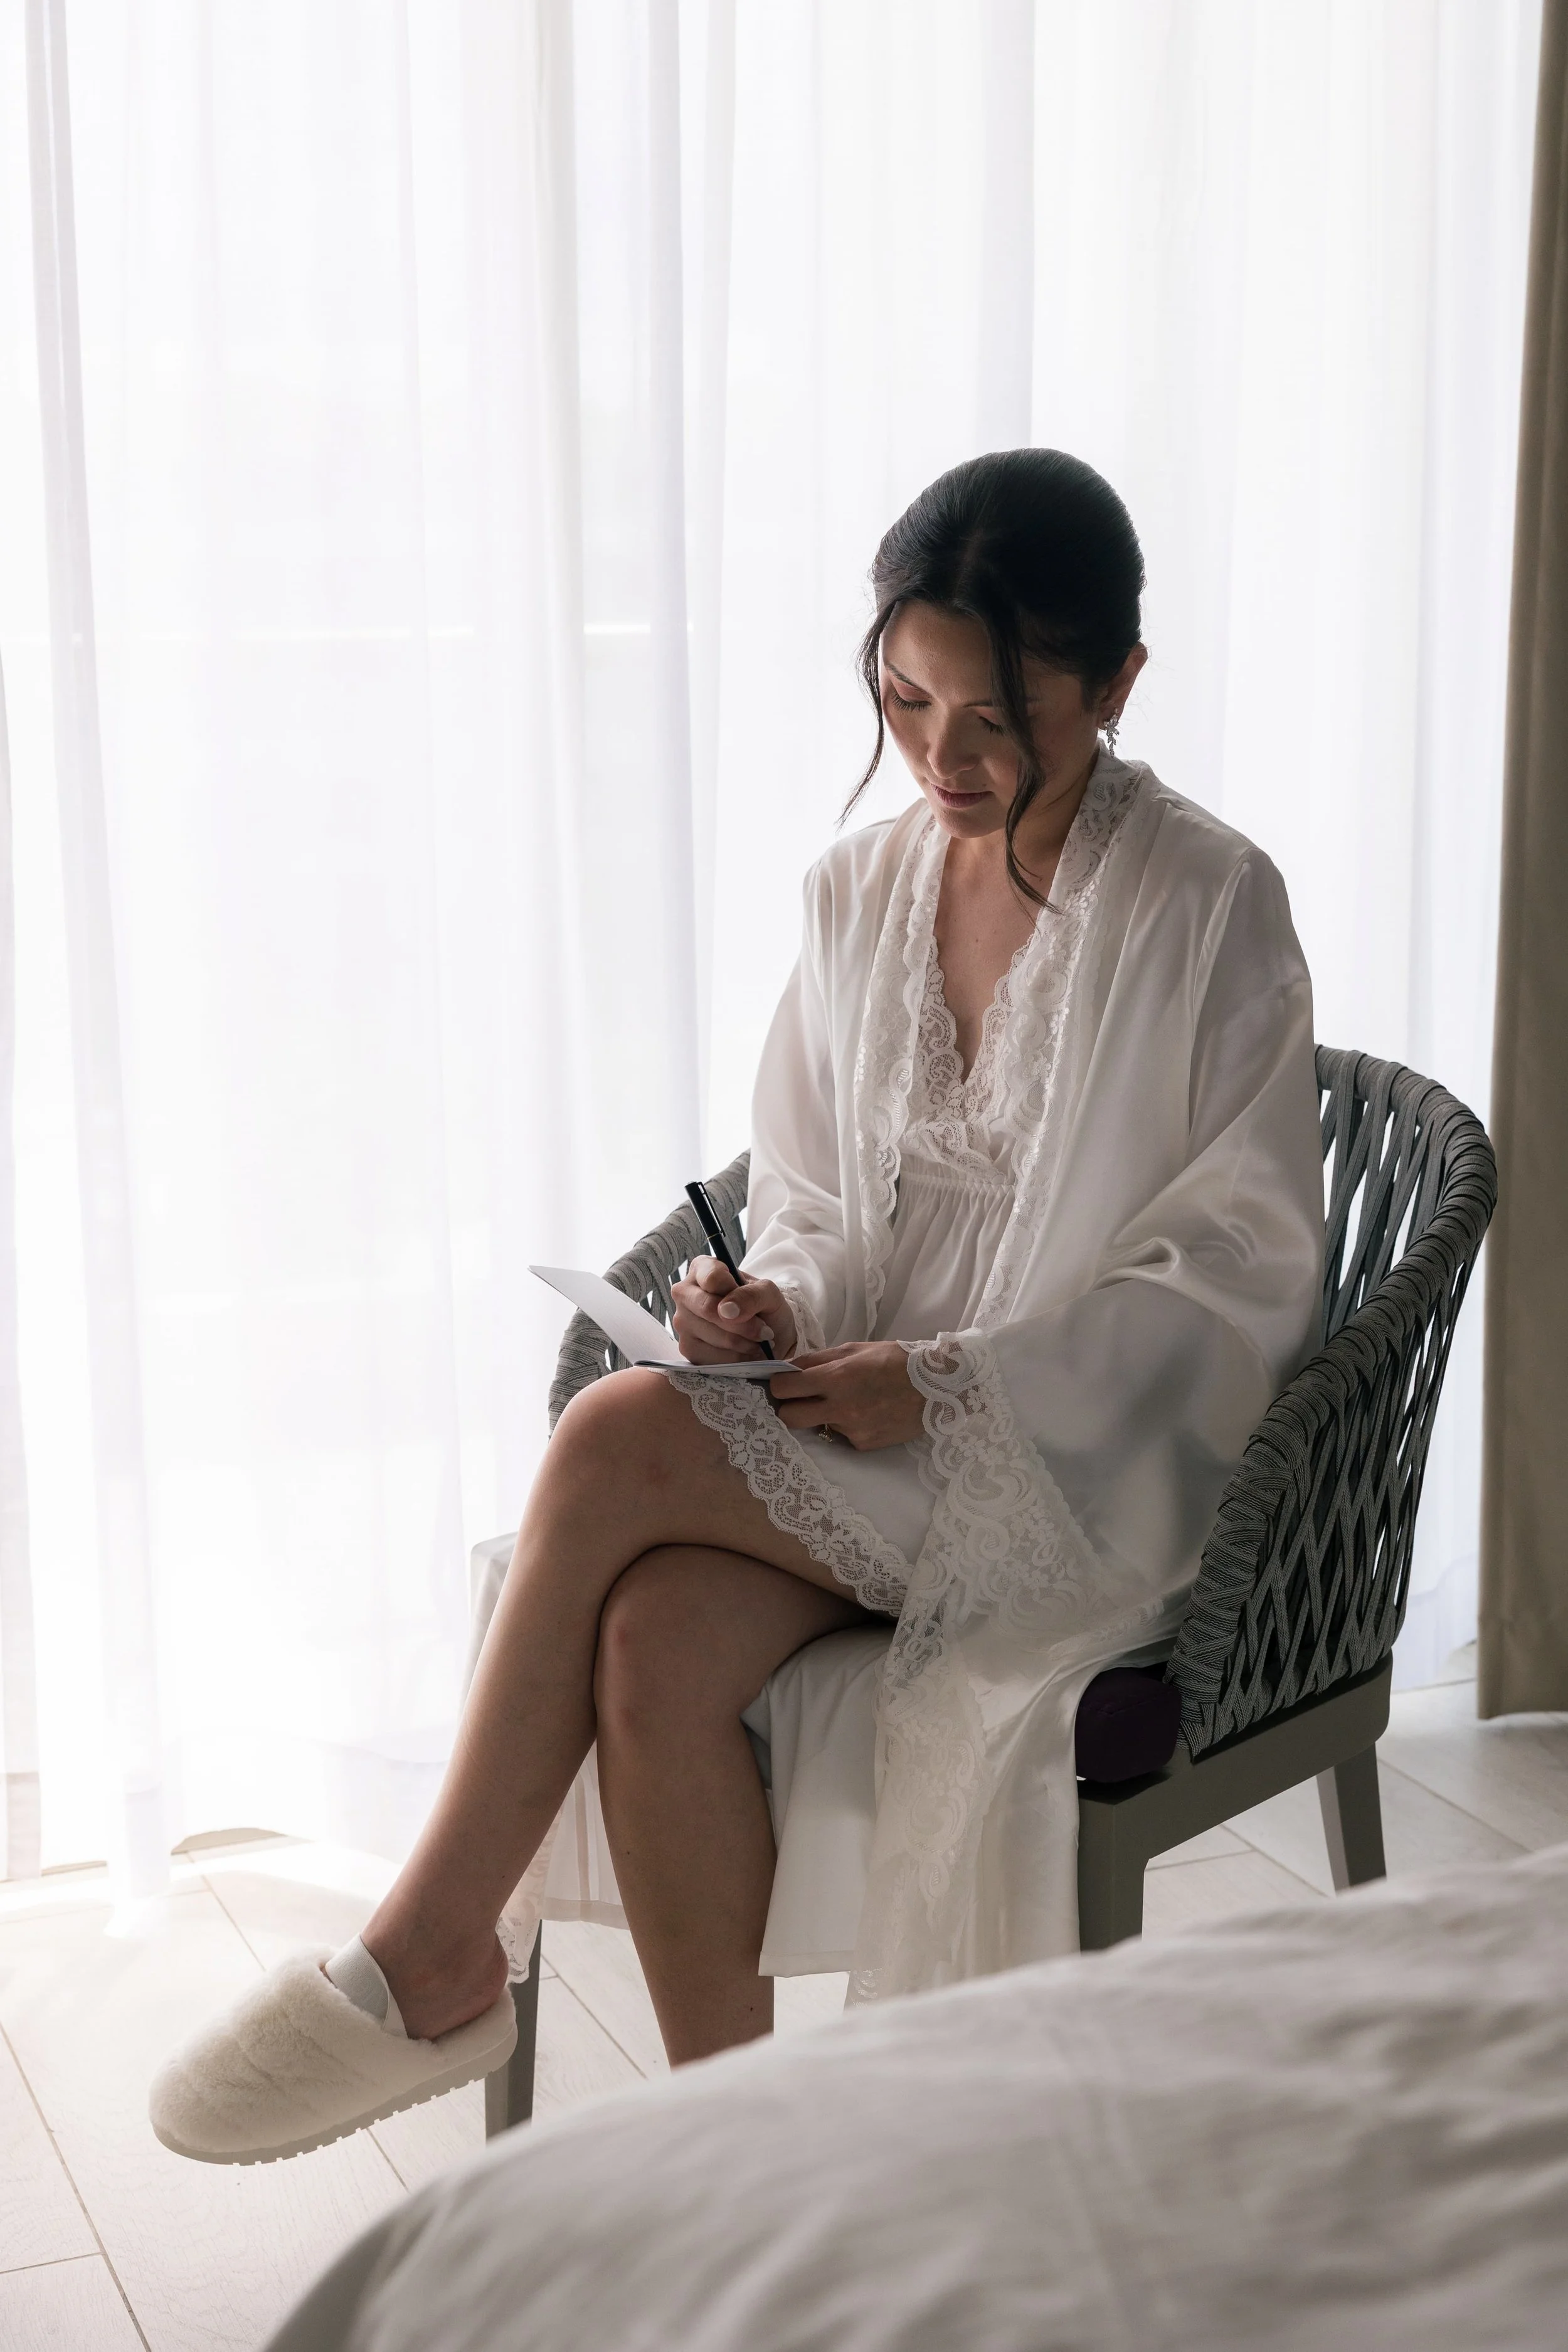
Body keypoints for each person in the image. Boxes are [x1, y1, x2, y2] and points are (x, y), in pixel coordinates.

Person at [149, 449, 1323, 2165]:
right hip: (859, 1439)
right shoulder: (856, 893)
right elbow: (827, 1198)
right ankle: (735, 2158)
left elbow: (1233, 1277)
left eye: (994, 715)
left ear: (1119, 681)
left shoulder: (1209, 903)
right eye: (905, 698)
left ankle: (427, 1949)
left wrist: (948, 1381)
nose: (942, 757)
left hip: (1073, 1462)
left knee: (620, 1433)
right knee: (649, 1637)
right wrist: (770, 1304)